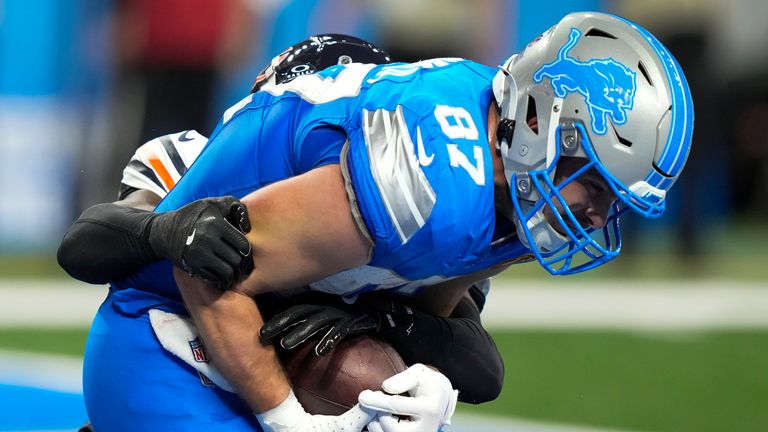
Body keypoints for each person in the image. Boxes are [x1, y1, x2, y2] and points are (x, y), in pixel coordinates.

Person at [75, 12, 693, 432]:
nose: (596, 214)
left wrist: (425, 384)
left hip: (256, 325)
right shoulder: (429, 180)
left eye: (614, 200)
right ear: (536, 122)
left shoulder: (508, 188)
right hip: (171, 332)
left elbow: (467, 356)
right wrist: (292, 420)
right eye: (595, 184)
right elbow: (199, 274)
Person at [60, 33, 502, 430]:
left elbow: (482, 371)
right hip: (201, 369)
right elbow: (82, 245)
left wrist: (386, 318)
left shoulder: (404, 208)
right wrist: (165, 231)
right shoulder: (194, 162)